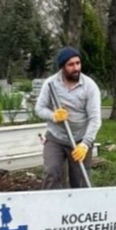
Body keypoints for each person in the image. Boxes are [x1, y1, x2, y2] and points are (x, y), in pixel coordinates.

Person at [35, 46, 101, 189]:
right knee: (52, 172)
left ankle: (80, 209)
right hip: (55, 138)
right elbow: (39, 109)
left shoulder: (90, 87)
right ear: (62, 67)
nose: (76, 67)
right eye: (71, 65)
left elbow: (95, 119)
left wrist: (85, 144)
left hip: (79, 140)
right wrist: (53, 116)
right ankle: (51, 207)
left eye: (78, 63)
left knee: (80, 180)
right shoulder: (50, 84)